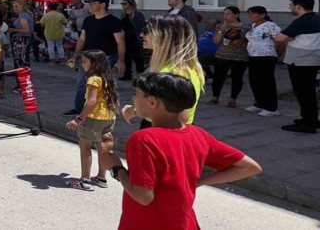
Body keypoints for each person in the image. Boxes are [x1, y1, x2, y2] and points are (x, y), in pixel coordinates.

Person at [100, 72, 262, 230]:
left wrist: (116, 168)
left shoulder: (144, 139)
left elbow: (144, 197)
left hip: (147, 222)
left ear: (152, 102)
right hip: (184, 222)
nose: (133, 99)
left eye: (136, 94)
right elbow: (250, 167)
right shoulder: (198, 135)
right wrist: (200, 181)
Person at [121, 14, 204, 129]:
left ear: (164, 36)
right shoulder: (186, 68)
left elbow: (177, 114)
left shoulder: (170, 73)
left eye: (146, 31)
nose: (141, 34)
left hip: (163, 132)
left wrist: (136, 111)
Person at [65, 50, 119, 191]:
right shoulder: (107, 77)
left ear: (94, 64)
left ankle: (85, 180)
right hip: (109, 117)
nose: (82, 65)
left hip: (94, 118)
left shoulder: (93, 79)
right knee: (103, 148)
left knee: (85, 146)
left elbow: (91, 102)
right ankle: (101, 177)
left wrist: (79, 119)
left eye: (84, 62)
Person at [65, 0, 125, 116]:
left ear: (103, 5)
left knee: (102, 84)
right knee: (82, 83)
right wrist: (75, 55)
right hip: (87, 57)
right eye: (90, 3)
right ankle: (79, 108)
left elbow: (120, 41)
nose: (90, 6)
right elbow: (82, 39)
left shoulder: (113, 21)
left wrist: (121, 60)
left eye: (93, 3)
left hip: (106, 58)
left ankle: (104, 110)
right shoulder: (88, 20)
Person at [274, 0, 320, 133]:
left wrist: (288, 37)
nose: (290, 7)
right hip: (313, 60)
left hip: (300, 61)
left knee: (303, 92)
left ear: (299, 6)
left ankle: (308, 124)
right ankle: (309, 118)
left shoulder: (302, 21)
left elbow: (279, 37)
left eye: (291, 5)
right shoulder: (317, 18)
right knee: (309, 92)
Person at [209, 6, 250, 108]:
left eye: (228, 14)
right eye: (224, 14)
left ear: (236, 15)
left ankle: (232, 99)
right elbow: (216, 41)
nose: (225, 16)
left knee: (237, 78)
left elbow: (249, 42)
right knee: (218, 77)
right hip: (222, 55)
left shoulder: (246, 27)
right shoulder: (221, 26)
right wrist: (221, 30)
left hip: (240, 56)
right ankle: (215, 97)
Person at [244, 6, 282, 117]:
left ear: (263, 15)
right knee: (255, 80)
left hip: (266, 57)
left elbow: (279, 41)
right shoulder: (253, 25)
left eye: (253, 14)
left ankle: (272, 107)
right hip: (253, 56)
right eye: (249, 14)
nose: (251, 16)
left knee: (267, 82)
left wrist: (280, 54)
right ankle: (259, 103)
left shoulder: (271, 26)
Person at [7, 0, 35, 93]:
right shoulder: (23, 15)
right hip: (20, 41)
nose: (15, 8)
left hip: (22, 41)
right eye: (14, 6)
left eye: (17, 6)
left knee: (22, 62)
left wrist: (13, 30)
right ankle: (21, 84)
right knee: (21, 62)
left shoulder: (24, 16)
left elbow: (26, 30)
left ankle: (23, 86)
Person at [119, 0, 146, 80]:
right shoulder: (123, 14)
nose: (123, 6)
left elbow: (142, 26)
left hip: (135, 38)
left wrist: (141, 37)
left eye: (125, 4)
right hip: (126, 38)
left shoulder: (138, 14)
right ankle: (127, 74)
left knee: (138, 58)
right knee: (127, 57)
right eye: (122, 4)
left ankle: (140, 74)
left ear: (130, 4)